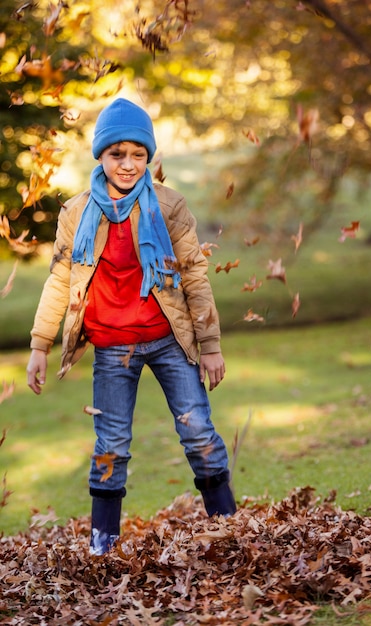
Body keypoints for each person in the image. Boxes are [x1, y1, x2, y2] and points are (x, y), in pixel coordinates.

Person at [26, 98, 236, 555]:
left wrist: (211, 344)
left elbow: (195, 275)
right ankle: (103, 546)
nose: (127, 164)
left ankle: (230, 530)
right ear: (100, 156)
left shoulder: (169, 206)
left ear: (149, 156)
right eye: (116, 154)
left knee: (199, 431)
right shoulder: (76, 212)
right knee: (112, 444)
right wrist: (40, 344)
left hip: (167, 341)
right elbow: (61, 278)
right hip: (112, 347)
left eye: (137, 154)